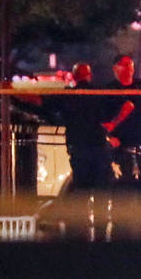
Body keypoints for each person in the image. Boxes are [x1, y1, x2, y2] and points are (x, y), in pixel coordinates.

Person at [59, 62, 115, 240]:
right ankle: (100, 235)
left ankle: (80, 236)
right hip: (99, 148)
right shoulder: (98, 94)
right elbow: (109, 115)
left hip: (79, 148)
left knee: (81, 192)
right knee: (101, 194)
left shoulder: (70, 96)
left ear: (75, 77)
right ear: (89, 75)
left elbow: (50, 107)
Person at [101, 54, 141, 195]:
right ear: (115, 68)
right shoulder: (108, 91)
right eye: (124, 65)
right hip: (122, 152)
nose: (128, 68)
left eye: (130, 65)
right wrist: (109, 136)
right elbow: (101, 120)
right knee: (124, 196)